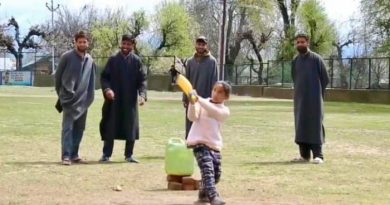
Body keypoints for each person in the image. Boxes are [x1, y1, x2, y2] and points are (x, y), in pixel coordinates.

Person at [99, 34, 147, 163]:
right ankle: (106, 155)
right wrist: (107, 89)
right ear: (121, 44)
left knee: (130, 126)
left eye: (129, 44)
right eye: (124, 44)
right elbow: (104, 78)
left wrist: (142, 95)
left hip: (130, 100)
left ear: (133, 45)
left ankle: (129, 155)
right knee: (110, 126)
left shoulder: (137, 61)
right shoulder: (113, 60)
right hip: (113, 100)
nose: (125, 46)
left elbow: (142, 80)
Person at [186, 81, 231, 205]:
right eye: (214, 90)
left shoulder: (224, 111)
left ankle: (203, 193)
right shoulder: (203, 102)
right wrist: (192, 103)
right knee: (207, 171)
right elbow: (192, 117)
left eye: (220, 92)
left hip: (214, 145)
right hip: (199, 143)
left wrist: (198, 99)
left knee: (216, 175)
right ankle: (213, 197)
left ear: (226, 97)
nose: (216, 93)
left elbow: (214, 111)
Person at [55, 31, 96, 165]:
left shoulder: (90, 60)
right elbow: (58, 78)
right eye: (80, 41)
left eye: (84, 42)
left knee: (80, 128)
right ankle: (66, 156)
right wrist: (63, 95)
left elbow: (91, 82)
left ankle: (74, 154)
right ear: (75, 42)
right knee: (68, 128)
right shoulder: (66, 57)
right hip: (68, 100)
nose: (82, 44)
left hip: (83, 100)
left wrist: (89, 98)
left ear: (88, 43)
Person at [291, 33, 329, 164]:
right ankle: (304, 156)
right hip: (300, 99)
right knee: (301, 125)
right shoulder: (295, 61)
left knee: (315, 125)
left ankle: (318, 156)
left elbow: (325, 79)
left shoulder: (316, 59)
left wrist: (317, 93)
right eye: (298, 42)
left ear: (308, 43)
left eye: (302, 42)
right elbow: (295, 79)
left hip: (314, 99)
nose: (300, 44)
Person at [183, 36, 218, 139]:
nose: (200, 47)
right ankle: (189, 144)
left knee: (204, 124)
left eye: (203, 45)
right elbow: (186, 81)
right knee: (190, 122)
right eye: (199, 44)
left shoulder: (212, 62)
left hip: (205, 99)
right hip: (192, 99)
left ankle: (203, 146)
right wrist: (185, 98)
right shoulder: (190, 62)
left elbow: (214, 82)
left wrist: (214, 100)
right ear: (195, 45)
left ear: (206, 46)